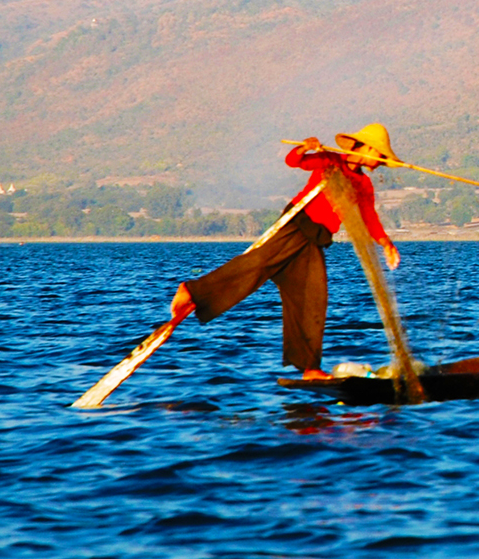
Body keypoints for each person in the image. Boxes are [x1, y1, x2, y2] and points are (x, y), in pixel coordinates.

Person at [166, 123, 402, 379]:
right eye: (379, 155)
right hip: (298, 223)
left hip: (317, 238)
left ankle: (309, 367)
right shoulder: (330, 159)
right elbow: (294, 161)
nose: (379, 162)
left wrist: (385, 242)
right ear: (366, 147)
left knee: (312, 297)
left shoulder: (363, 184)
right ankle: (193, 291)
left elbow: (368, 216)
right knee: (258, 264)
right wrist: (304, 148)